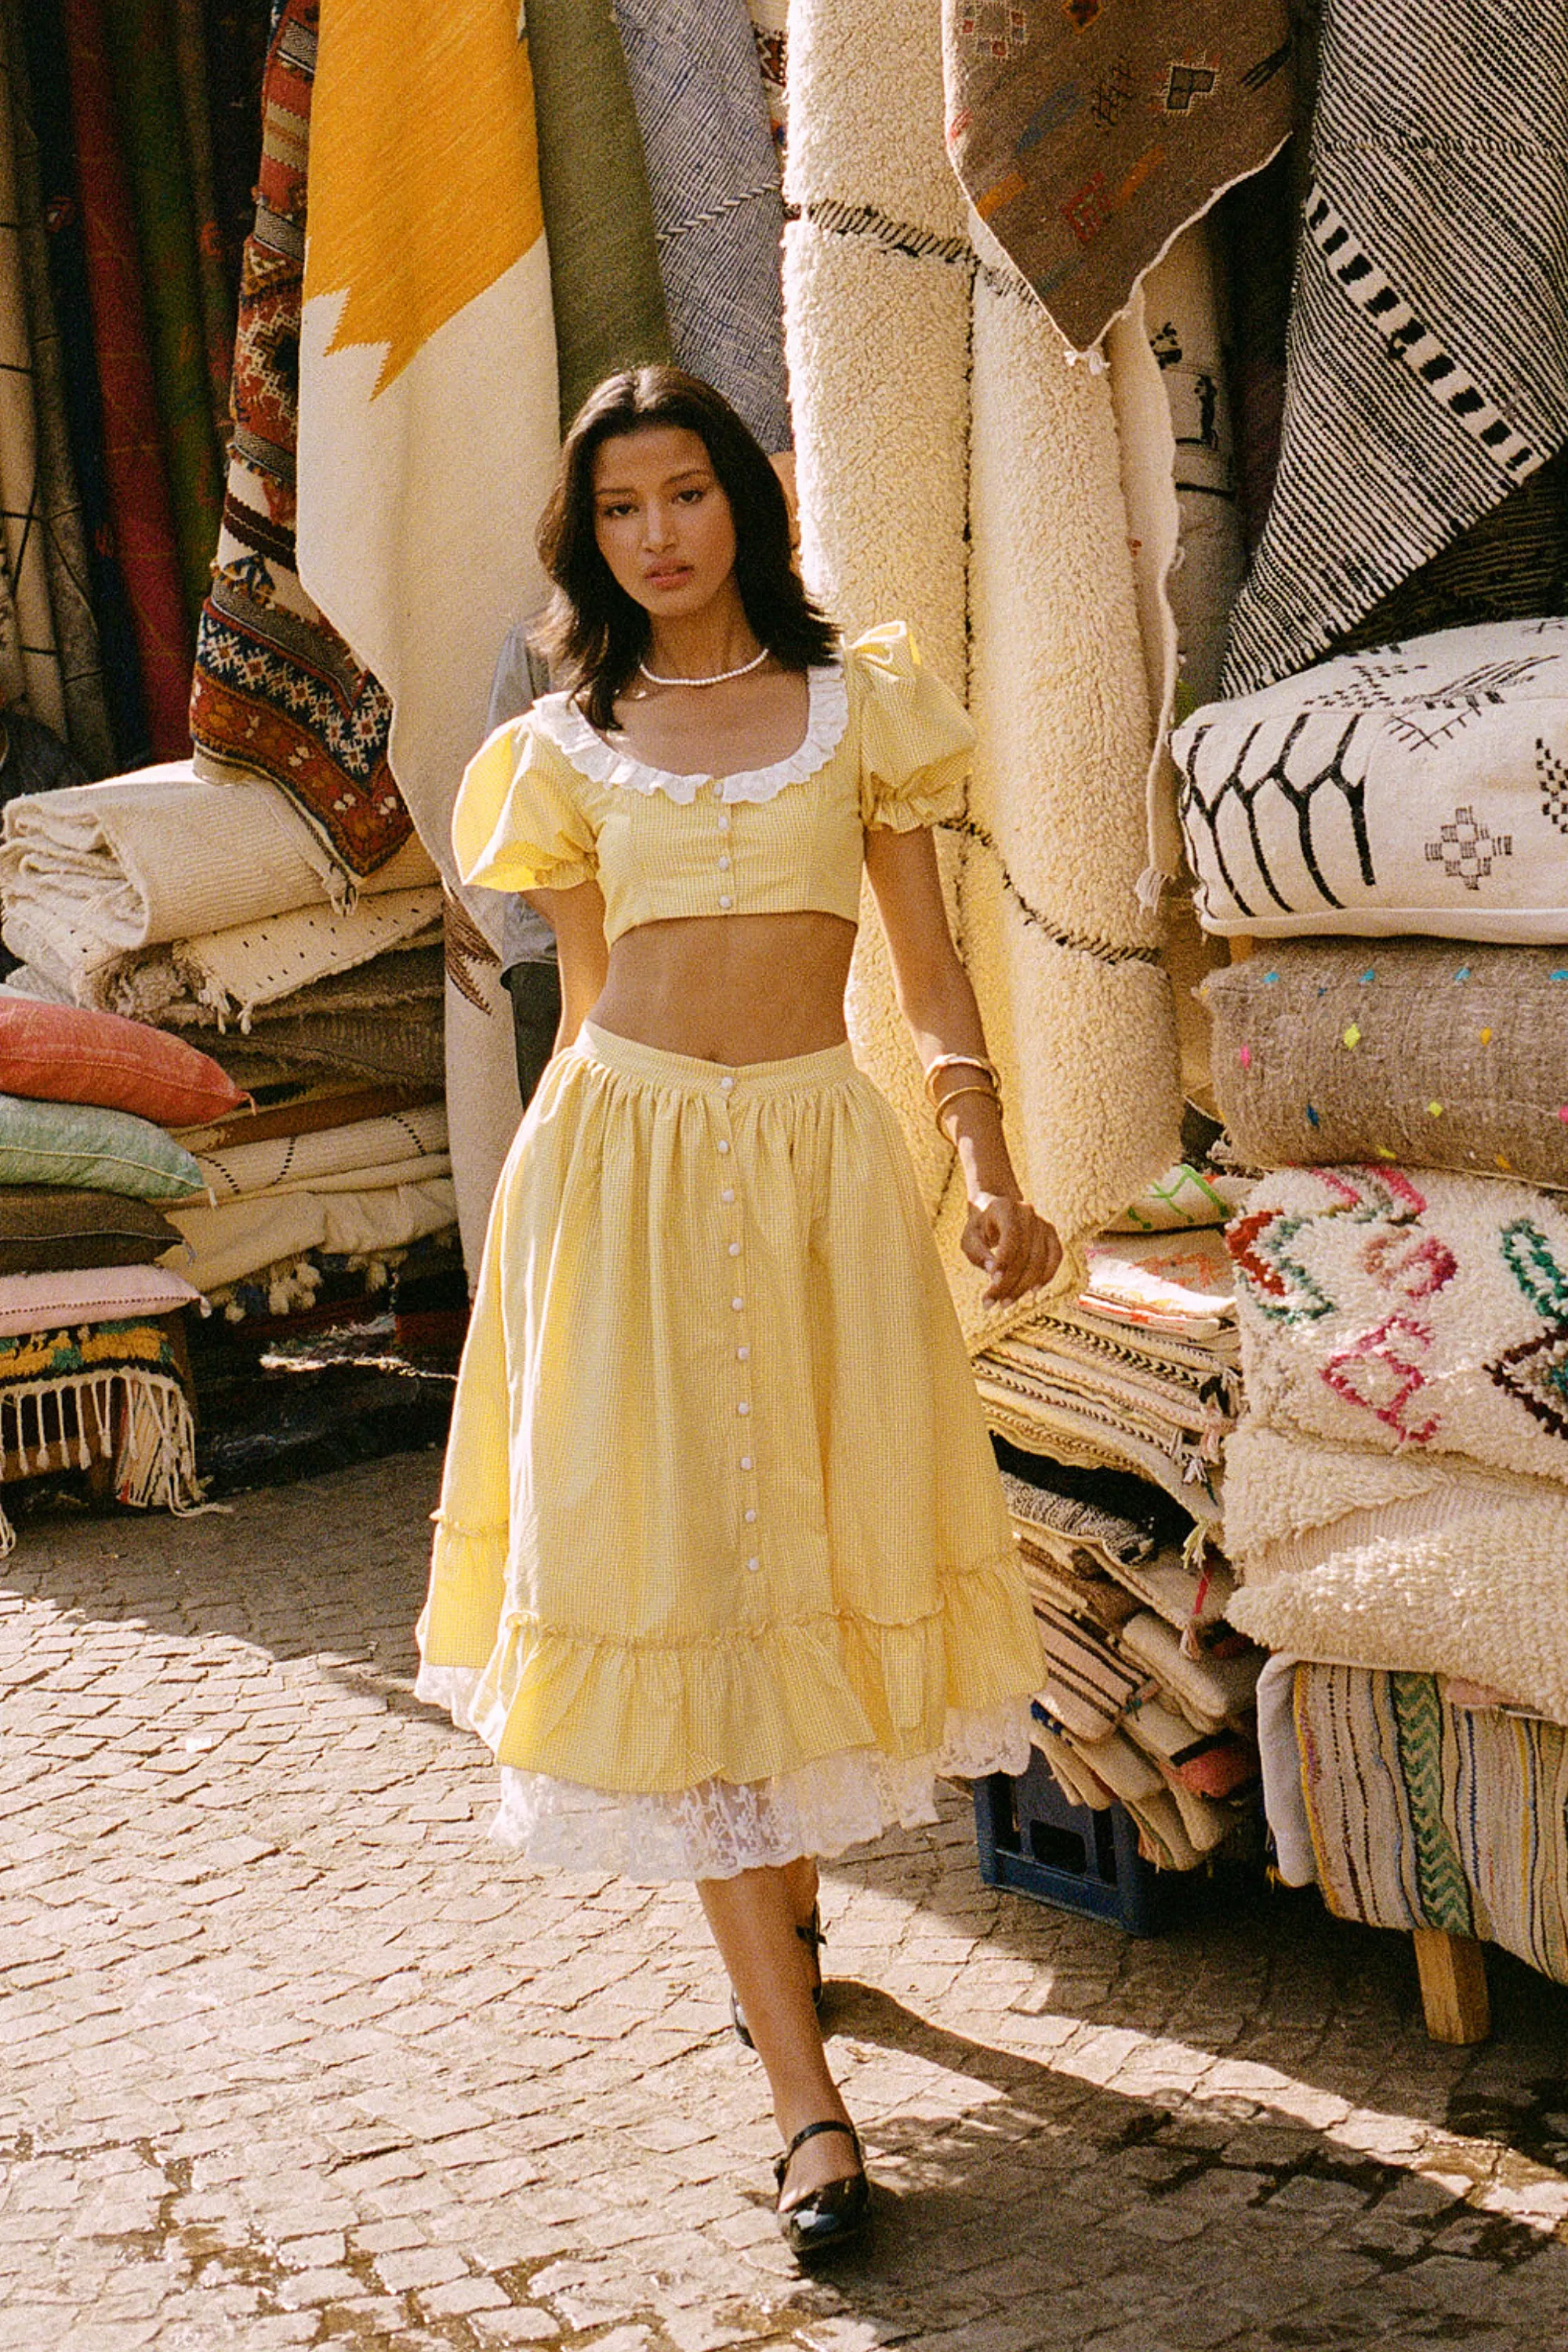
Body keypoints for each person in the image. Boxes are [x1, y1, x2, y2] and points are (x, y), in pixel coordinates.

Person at [416, 365, 1061, 2259]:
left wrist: (990, 1159)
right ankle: (804, 2103)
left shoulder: (861, 706)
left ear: (739, 507)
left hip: (815, 1176)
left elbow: (928, 971)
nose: (658, 534)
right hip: (615, 1178)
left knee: (802, 1552)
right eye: (621, 509)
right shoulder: (563, 745)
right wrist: (546, 1232)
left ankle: (785, 1935)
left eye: (684, 494)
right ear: (587, 536)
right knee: (686, 1581)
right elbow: (593, 990)